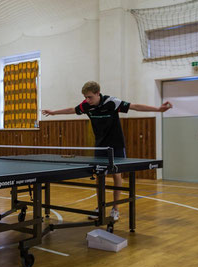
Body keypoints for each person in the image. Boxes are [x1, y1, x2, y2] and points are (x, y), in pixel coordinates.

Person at [42, 81, 172, 221]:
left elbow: (135, 106)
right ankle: (100, 207)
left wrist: (158, 109)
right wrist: (53, 112)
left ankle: (115, 209)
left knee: (116, 175)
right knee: (99, 175)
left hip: (116, 145)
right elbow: (72, 110)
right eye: (86, 97)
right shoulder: (86, 106)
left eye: (90, 97)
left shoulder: (112, 102)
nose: (87, 100)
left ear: (98, 93)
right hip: (100, 146)